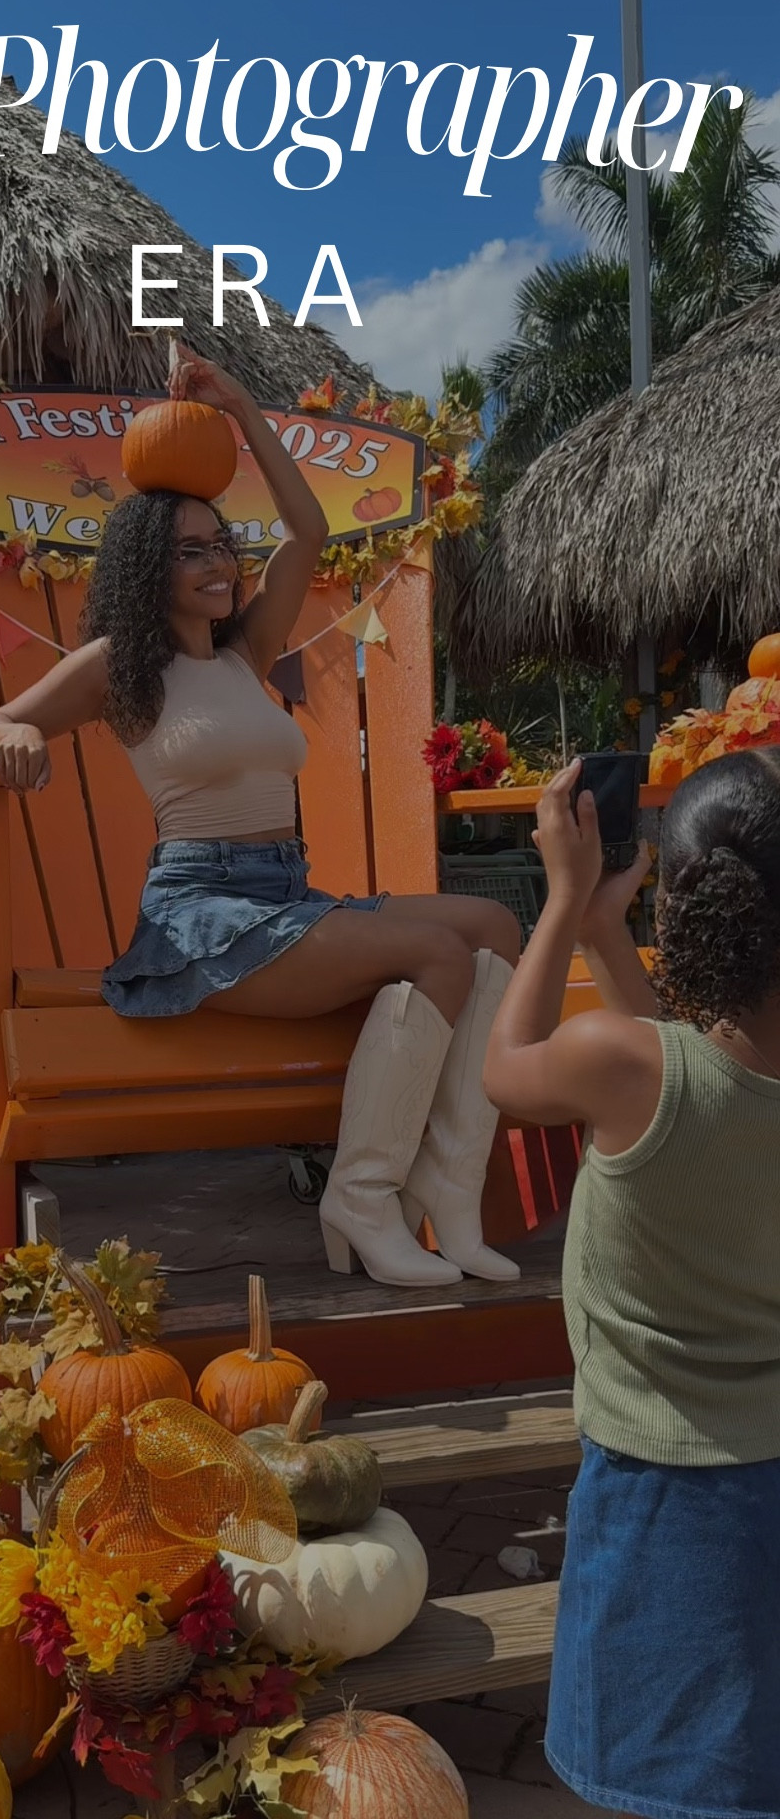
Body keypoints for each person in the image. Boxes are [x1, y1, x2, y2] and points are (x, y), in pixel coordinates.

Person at [0, 344, 520, 1290]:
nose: (218, 564)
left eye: (221, 545)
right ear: (149, 565)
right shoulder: (122, 667)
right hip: (204, 914)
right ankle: (362, 1194)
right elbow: (0, 720)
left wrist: (240, 409)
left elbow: (305, 530)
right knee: (435, 954)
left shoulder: (243, 655)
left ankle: (449, 1193)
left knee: (494, 929)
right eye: (190, 551)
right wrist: (9, 741)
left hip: (287, 894)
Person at [484, 752, 780, 1819]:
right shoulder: (652, 1067)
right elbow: (699, 1062)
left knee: (664, 1786)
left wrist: (566, 901)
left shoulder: (619, 1067)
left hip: (660, 1496)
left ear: (688, 902)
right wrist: (611, 935)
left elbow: (503, 1066)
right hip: (767, 1463)